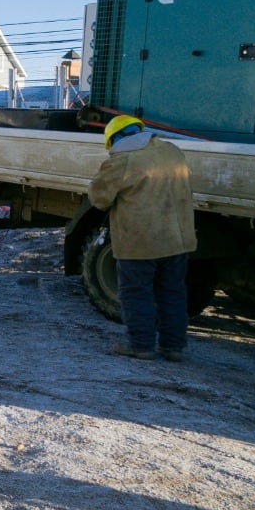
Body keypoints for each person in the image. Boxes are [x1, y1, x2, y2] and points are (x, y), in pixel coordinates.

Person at [88, 115, 197, 361]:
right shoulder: (172, 151)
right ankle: (173, 347)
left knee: (137, 293)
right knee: (172, 292)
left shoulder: (122, 161)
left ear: (114, 139)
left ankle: (141, 346)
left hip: (140, 242)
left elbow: (99, 199)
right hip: (178, 239)